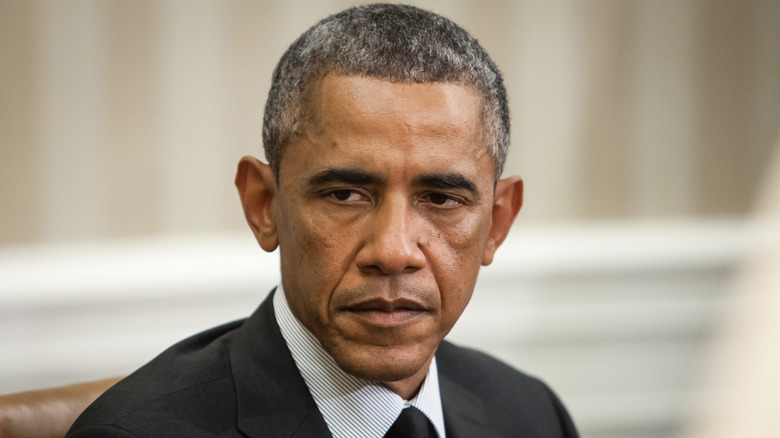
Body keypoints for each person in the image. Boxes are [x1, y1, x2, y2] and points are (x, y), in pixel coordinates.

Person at [67, 4, 578, 437]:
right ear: (264, 205)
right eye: (346, 194)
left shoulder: (532, 415)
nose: (394, 250)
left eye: (441, 198)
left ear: (497, 221)